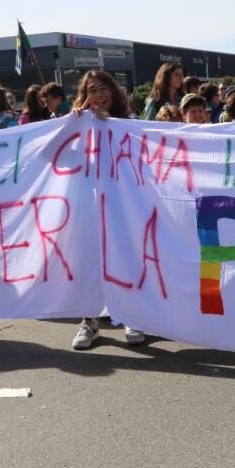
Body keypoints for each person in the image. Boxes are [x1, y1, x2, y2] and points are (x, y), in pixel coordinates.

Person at [70, 70, 144, 350]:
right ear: (85, 95)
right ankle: (90, 321)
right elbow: (53, 156)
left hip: (125, 208)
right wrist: (76, 126)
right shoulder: (78, 124)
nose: (98, 95)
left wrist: (110, 125)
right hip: (88, 208)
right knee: (90, 264)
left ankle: (131, 316)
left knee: (126, 261)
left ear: (113, 91)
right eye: (92, 90)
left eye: (103, 88)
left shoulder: (130, 124)